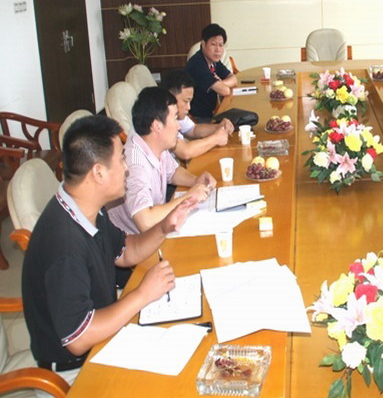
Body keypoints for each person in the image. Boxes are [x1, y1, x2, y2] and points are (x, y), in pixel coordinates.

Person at [21, 115, 198, 385]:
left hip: (104, 335)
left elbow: (125, 251)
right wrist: (142, 294)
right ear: (98, 172)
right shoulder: (64, 244)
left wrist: (164, 227)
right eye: (122, 160)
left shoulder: (85, 207)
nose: (127, 168)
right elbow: (78, 339)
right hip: (77, 370)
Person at [108, 87, 216, 234]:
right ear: (157, 125)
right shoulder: (135, 164)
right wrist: (188, 197)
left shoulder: (157, 145)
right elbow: (145, 222)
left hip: (158, 231)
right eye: (175, 118)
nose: (178, 126)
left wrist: (196, 181)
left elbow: (173, 172)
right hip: (137, 241)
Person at [162, 70, 234, 160]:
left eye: (190, 102)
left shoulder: (176, 115)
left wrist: (219, 127)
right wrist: (216, 139)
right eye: (185, 101)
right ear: (170, 97)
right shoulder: (161, 119)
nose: (189, 107)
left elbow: (193, 129)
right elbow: (185, 151)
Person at [186, 23, 238, 122]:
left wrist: (220, 83)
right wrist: (220, 85)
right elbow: (225, 91)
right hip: (197, 118)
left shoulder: (213, 61)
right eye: (213, 44)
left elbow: (234, 79)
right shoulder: (197, 64)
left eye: (221, 45)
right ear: (203, 44)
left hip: (210, 112)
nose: (218, 49)